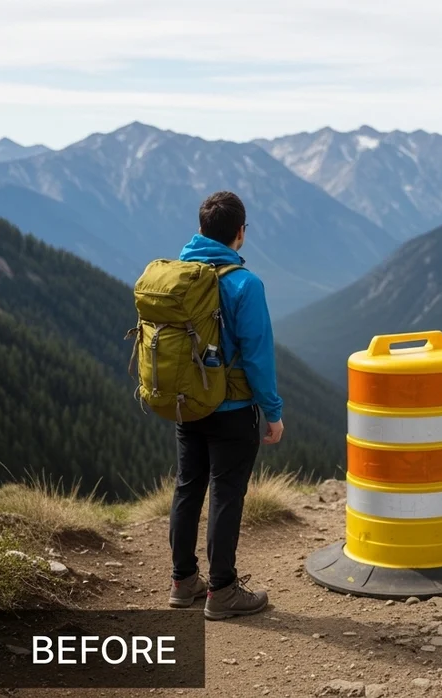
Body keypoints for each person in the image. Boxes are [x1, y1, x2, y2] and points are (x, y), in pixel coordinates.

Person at [167, 191, 284, 620]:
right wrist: (272, 412)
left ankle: (183, 582)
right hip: (232, 408)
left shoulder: (178, 275)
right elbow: (257, 354)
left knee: (187, 488)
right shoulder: (244, 284)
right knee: (226, 495)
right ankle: (222, 592)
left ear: (200, 229)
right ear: (240, 233)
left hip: (188, 403)